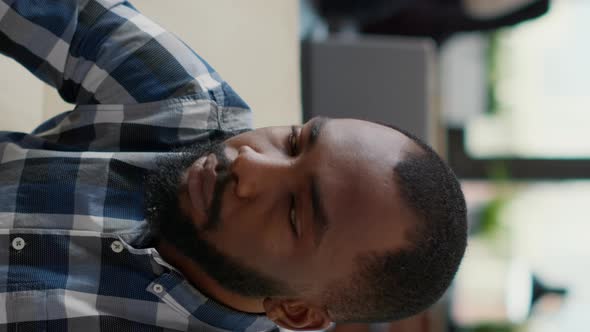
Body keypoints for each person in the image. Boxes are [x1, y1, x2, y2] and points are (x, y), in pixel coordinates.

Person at [0, 0, 467, 331]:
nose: (249, 165)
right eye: (294, 141)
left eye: (293, 214)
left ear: (296, 312)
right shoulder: (193, 111)